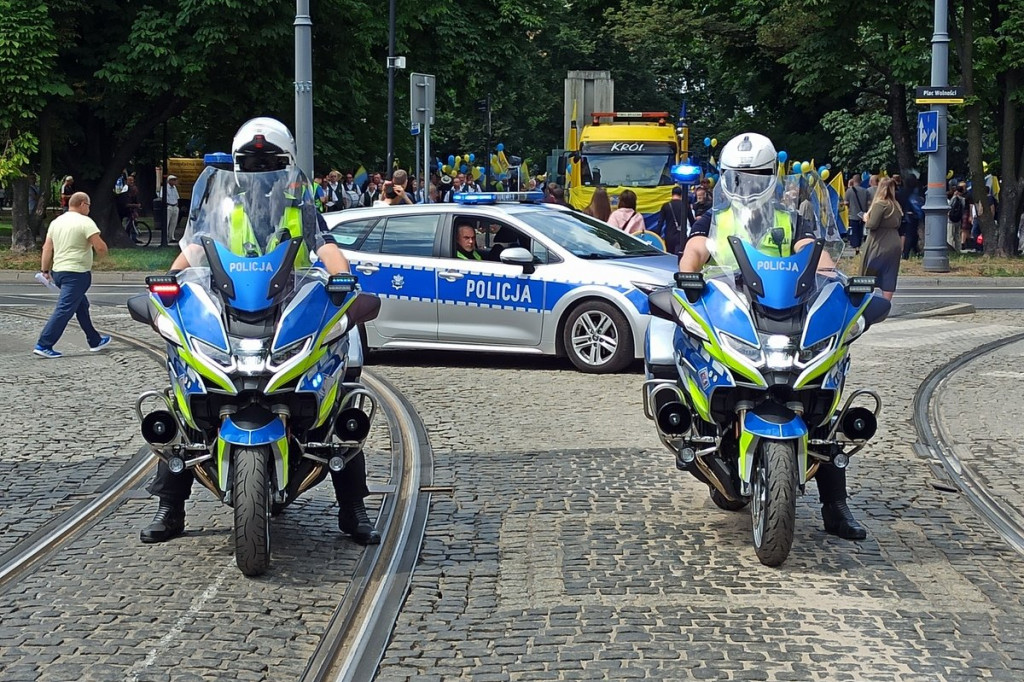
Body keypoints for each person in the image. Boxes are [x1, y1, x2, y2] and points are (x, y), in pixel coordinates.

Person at [153, 117, 379, 546]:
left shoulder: (299, 204)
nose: (259, 171)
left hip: (289, 310)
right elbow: (197, 244)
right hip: (232, 306)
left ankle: (354, 508)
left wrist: (345, 282)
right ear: (237, 167)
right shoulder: (224, 207)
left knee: (341, 397)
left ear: (286, 163)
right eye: (251, 163)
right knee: (184, 390)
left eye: (268, 163)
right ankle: (170, 506)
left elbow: (324, 245)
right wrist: (170, 283)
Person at [676, 132, 865, 541]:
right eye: (740, 176)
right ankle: (700, 434)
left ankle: (836, 505)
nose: (748, 185)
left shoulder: (790, 216)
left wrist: (834, 280)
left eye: (758, 175)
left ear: (772, 177)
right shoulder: (711, 217)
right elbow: (694, 252)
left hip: (785, 314)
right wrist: (686, 276)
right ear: (725, 177)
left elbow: (815, 254)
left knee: (823, 392)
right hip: (732, 314)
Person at [33, 192, 112, 358]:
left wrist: (45, 271)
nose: (89, 209)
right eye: (89, 206)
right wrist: (106, 258)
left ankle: (94, 340)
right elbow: (100, 247)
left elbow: (47, 248)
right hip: (77, 273)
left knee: (81, 306)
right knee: (64, 309)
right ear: (83, 204)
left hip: (59, 272)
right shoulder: (85, 222)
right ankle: (44, 344)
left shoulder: (57, 222)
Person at [655, 185, 687, 254]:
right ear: (681, 195)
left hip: (669, 236)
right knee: (679, 256)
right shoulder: (685, 205)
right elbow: (692, 220)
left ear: (672, 194)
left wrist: (657, 236)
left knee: (670, 256)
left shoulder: (665, 206)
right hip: (681, 236)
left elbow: (660, 223)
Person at [845, 176, 869, 255]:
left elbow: (846, 203)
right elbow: (867, 203)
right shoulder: (865, 191)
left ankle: (856, 247)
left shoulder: (849, 191)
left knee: (854, 232)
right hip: (862, 215)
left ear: (853, 181)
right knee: (860, 231)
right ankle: (860, 245)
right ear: (860, 181)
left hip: (853, 215)